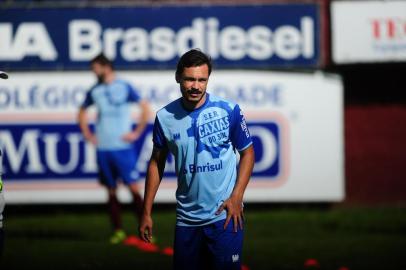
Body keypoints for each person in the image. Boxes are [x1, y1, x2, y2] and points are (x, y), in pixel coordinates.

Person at [139, 49, 255, 269]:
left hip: (225, 217)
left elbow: (248, 152)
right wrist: (146, 212)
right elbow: (156, 162)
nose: (196, 86)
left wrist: (237, 196)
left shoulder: (229, 110)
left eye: (202, 80)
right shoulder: (164, 118)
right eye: (190, 79)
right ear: (178, 78)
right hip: (186, 220)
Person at [78, 54, 150, 244]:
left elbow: (144, 107)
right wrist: (87, 133)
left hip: (123, 148)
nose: (93, 72)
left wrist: (137, 132)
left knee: (133, 188)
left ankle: (145, 228)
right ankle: (118, 231)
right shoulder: (95, 90)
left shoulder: (124, 86)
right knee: (110, 191)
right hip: (104, 147)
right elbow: (82, 111)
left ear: (106, 67)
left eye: (95, 68)